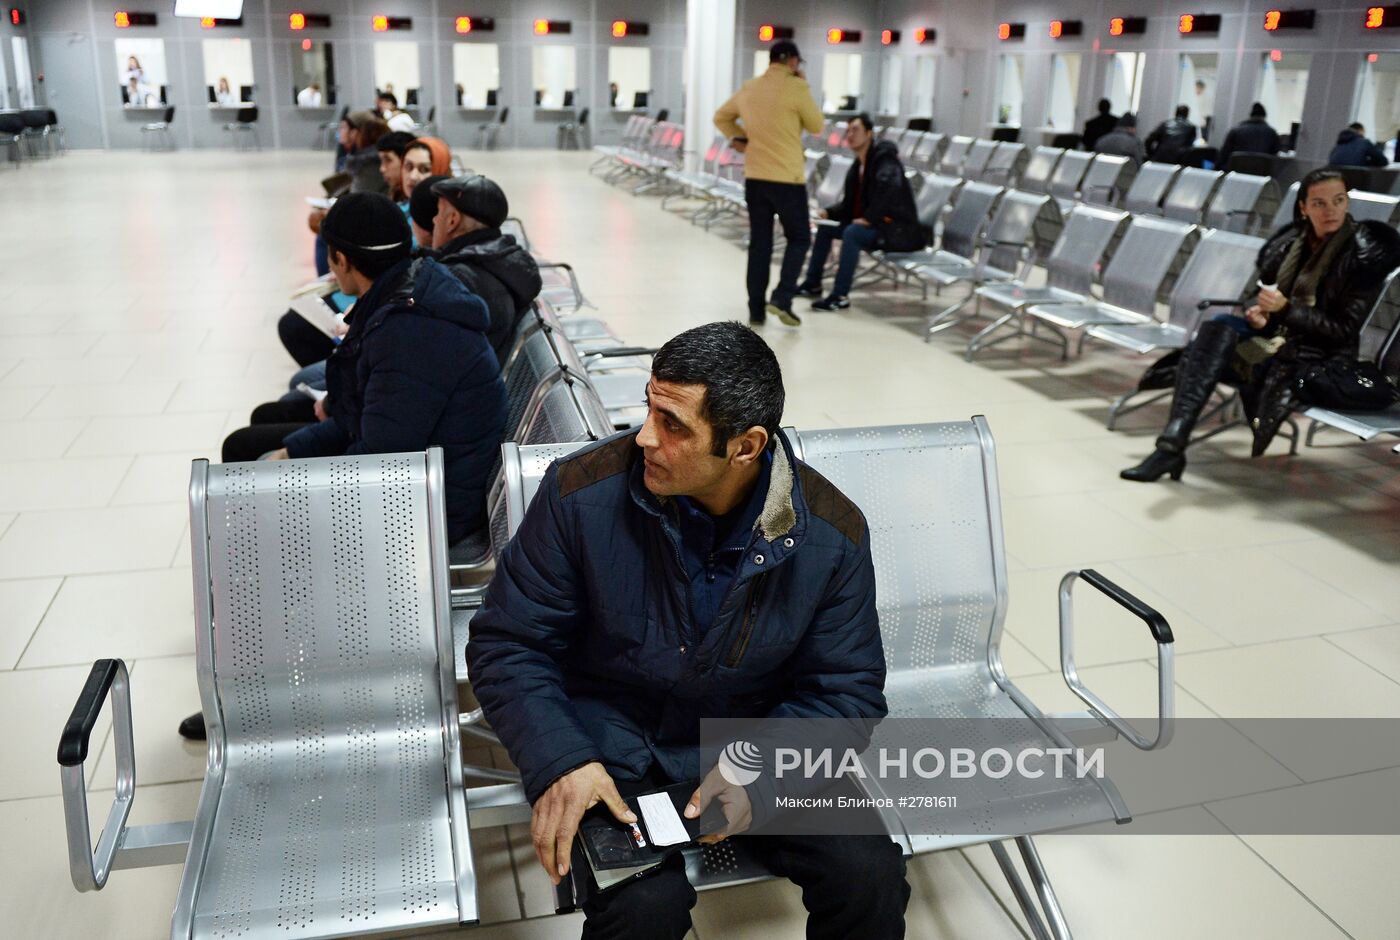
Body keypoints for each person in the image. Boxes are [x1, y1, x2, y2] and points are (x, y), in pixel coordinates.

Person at [466, 321, 909, 940]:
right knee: (644, 906)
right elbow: (509, 643)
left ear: (746, 447)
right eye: (650, 407)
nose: (645, 436)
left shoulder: (830, 536)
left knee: (869, 876)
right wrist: (562, 760)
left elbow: (845, 690)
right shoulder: (580, 494)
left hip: (751, 733)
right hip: (607, 738)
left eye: (673, 425)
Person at [179, 194, 508, 743]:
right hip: (420, 475)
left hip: (429, 504)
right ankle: (251, 668)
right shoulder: (404, 298)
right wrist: (294, 452)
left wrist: (290, 482)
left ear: (342, 260)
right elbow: (371, 422)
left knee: (255, 521)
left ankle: (257, 689)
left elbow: (377, 461)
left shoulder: (410, 327)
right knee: (250, 458)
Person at [1121, 168, 1400, 482]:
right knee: (1218, 329)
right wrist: (1260, 314)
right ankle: (1171, 444)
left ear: (1347, 202)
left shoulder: (1363, 258)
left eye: (1338, 200)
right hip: (1277, 345)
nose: (1331, 210)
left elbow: (1342, 331)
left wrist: (1286, 310)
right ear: (1304, 208)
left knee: (1204, 351)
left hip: (1316, 361)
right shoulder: (1292, 246)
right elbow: (1263, 295)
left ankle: (1170, 448)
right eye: (1319, 203)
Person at [714, 40, 825, 327]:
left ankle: (756, 309)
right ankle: (782, 297)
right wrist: (803, 84)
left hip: (756, 177)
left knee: (760, 244)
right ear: (792, 61)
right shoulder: (796, 87)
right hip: (787, 178)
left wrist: (741, 138)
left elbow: (721, 117)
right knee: (799, 238)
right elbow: (816, 125)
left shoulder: (750, 87)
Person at [798, 113, 921, 311]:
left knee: (852, 233)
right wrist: (829, 212)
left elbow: (888, 191)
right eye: (848, 131)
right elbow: (850, 204)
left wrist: (869, 218)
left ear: (869, 133)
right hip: (877, 225)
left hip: (896, 229)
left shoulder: (884, 159)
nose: (850, 135)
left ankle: (840, 296)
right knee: (826, 228)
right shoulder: (859, 165)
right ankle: (813, 283)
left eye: (855, 130)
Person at [429, 175, 542, 365]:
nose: (434, 220)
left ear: (452, 220)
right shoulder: (500, 265)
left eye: (438, 212)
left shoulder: (457, 280)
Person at [1217, 102, 1281, 168]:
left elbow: (1224, 154)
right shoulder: (1272, 133)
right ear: (1264, 117)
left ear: (1250, 116)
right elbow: (1275, 157)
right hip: (1261, 171)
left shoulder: (1235, 130)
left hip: (1236, 170)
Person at [376, 130, 418, 203]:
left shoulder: (416, 201)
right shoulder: (393, 195)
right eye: (381, 161)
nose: (382, 169)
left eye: (388, 160)